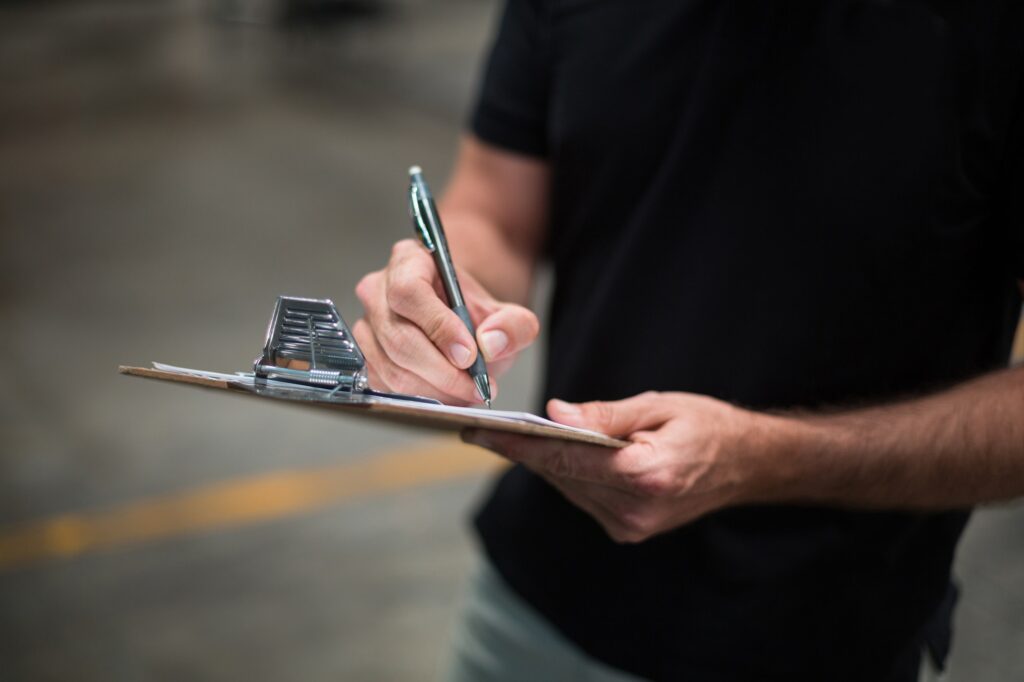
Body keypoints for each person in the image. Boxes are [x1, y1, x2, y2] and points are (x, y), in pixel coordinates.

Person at [353, 2, 1024, 680]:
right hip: (533, 609)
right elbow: (496, 207)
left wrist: (771, 458)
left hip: (819, 642)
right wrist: (446, 294)